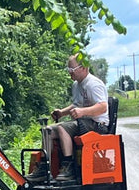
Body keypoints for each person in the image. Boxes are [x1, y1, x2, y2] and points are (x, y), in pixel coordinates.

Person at [28, 54, 109, 182]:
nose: (70, 74)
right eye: (68, 70)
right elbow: (76, 105)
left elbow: (103, 107)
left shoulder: (93, 84)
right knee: (47, 130)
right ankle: (44, 167)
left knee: (62, 128)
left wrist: (82, 112)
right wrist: (61, 113)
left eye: (72, 70)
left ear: (84, 68)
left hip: (97, 124)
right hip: (82, 122)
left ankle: (68, 167)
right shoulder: (76, 85)